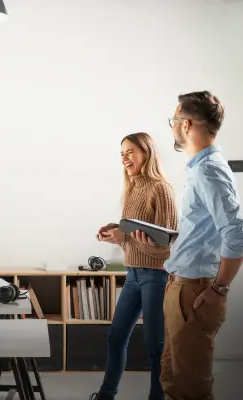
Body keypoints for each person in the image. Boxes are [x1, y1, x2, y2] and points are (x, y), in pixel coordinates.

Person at [161, 91, 243, 400]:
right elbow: (203, 232)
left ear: (185, 124)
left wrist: (219, 289)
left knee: (190, 390)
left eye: (174, 120)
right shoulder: (200, 168)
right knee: (172, 379)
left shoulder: (208, 170)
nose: (172, 127)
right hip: (180, 287)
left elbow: (238, 234)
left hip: (195, 292)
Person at [90, 132, 179, 400]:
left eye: (130, 152)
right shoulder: (132, 188)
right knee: (116, 338)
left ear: (147, 152)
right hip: (133, 275)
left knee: (155, 346)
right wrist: (116, 233)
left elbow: (167, 244)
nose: (125, 158)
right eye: (122, 153)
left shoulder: (160, 188)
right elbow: (136, 239)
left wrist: (125, 236)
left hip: (156, 276)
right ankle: (106, 395)